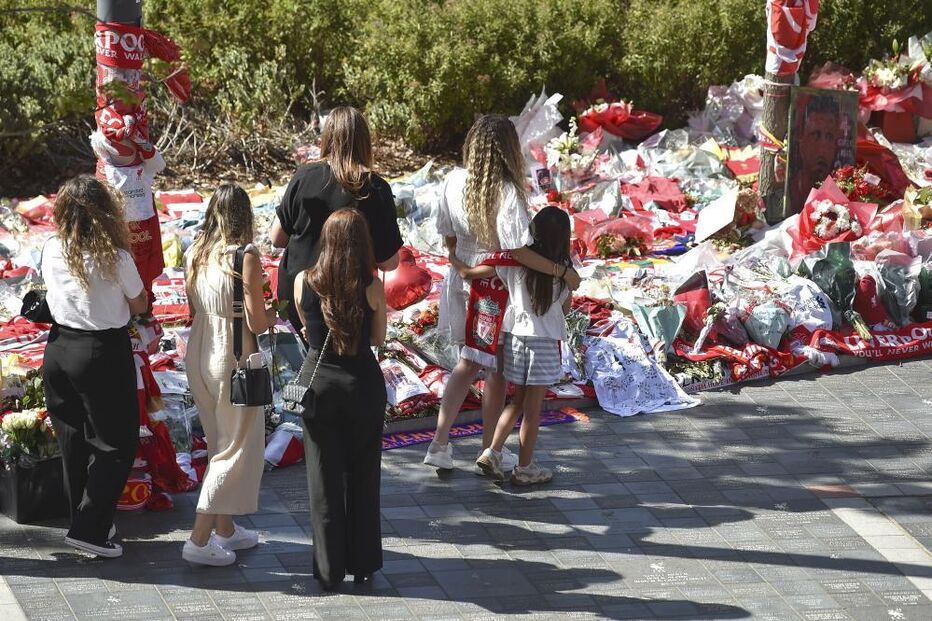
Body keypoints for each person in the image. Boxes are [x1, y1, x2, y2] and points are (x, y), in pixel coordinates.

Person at [423, 115, 580, 472]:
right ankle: (481, 446)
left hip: (462, 277)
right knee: (489, 368)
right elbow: (515, 251)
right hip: (495, 286)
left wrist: (459, 259)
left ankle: (446, 442)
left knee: (473, 362)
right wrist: (562, 272)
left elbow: (446, 233)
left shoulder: (453, 180)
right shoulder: (507, 190)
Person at [42, 175, 149, 558]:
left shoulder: (52, 246)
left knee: (73, 440)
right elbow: (139, 304)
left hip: (58, 350)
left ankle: (85, 519)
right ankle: (90, 528)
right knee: (116, 443)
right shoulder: (116, 257)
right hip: (100, 351)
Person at [182, 183, 277, 566]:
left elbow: (192, 306)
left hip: (199, 352)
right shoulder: (246, 257)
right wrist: (273, 311)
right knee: (235, 451)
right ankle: (198, 540)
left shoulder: (195, 253)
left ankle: (226, 529)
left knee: (218, 441)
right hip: (234, 356)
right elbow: (256, 319)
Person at [293, 208, 387, 591]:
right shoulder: (372, 285)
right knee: (364, 476)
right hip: (362, 383)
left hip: (318, 384)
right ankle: (363, 562)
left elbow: (304, 326)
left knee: (323, 477)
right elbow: (377, 339)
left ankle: (328, 569)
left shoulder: (304, 281)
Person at [456, 207, 572, 485]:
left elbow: (478, 273)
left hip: (514, 339)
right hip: (543, 343)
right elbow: (565, 309)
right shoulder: (565, 272)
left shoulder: (515, 264)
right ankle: (525, 468)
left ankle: (492, 451)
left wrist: (457, 262)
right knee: (533, 410)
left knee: (517, 401)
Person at [271, 106, 403, 338]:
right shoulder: (376, 189)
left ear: (327, 137)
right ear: (365, 142)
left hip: (297, 295)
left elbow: (277, 238)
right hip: (349, 303)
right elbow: (389, 263)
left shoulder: (304, 176)